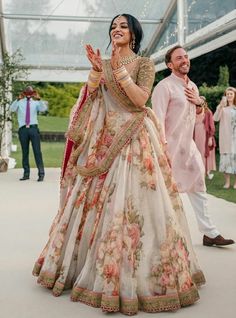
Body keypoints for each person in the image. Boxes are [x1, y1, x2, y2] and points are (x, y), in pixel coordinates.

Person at [32, 15, 205, 315]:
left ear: (134, 33)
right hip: (104, 142)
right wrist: (96, 73)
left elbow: (139, 100)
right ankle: (90, 268)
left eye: (123, 26)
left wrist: (117, 72)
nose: (117, 29)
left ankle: (139, 278)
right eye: (113, 27)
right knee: (98, 206)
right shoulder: (105, 63)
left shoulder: (144, 64)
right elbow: (92, 100)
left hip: (135, 139)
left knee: (136, 206)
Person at [151, 45, 234, 247]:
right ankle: (161, 237)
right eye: (179, 58)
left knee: (198, 185)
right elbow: (157, 120)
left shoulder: (193, 87)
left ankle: (210, 233)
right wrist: (161, 148)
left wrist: (199, 103)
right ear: (170, 64)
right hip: (168, 148)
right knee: (164, 193)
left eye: (186, 57)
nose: (184, 60)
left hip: (188, 148)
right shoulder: (164, 87)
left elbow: (197, 117)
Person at [10, 86, 47, 181]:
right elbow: (12, 109)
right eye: (27, 93)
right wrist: (18, 99)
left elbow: (43, 109)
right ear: (24, 93)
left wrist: (38, 98)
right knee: (25, 152)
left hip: (33, 129)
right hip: (23, 130)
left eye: (30, 93)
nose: (29, 95)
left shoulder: (35, 103)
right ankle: (26, 174)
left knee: (37, 151)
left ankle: (41, 174)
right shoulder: (19, 102)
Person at [213, 87, 236, 189]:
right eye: (227, 94)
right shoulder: (222, 108)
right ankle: (227, 182)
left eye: (231, 94)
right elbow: (215, 118)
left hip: (235, 138)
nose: (229, 96)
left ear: (234, 95)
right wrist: (220, 106)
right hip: (226, 139)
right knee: (226, 161)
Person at [193, 96, 216, 179]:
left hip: (204, 137)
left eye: (202, 102)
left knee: (203, 153)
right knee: (195, 153)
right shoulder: (193, 111)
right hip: (194, 136)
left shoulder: (208, 112)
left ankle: (204, 172)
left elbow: (211, 126)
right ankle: (196, 172)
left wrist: (210, 138)